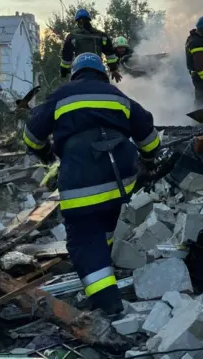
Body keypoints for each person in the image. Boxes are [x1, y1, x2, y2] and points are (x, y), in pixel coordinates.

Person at [23, 52, 161, 316]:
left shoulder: (61, 96)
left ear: (75, 73)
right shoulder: (118, 96)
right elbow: (150, 138)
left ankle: (107, 304)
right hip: (120, 177)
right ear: (102, 73)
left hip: (82, 176)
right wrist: (147, 160)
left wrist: (46, 153)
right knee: (105, 224)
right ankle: (103, 269)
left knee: (84, 238)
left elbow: (31, 136)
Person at [60, 9, 122, 83]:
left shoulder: (72, 36)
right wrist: (113, 69)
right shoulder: (101, 35)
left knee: (76, 90)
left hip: (79, 71)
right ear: (89, 20)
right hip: (98, 70)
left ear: (77, 22)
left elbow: (67, 56)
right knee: (102, 88)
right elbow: (110, 54)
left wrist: (63, 71)